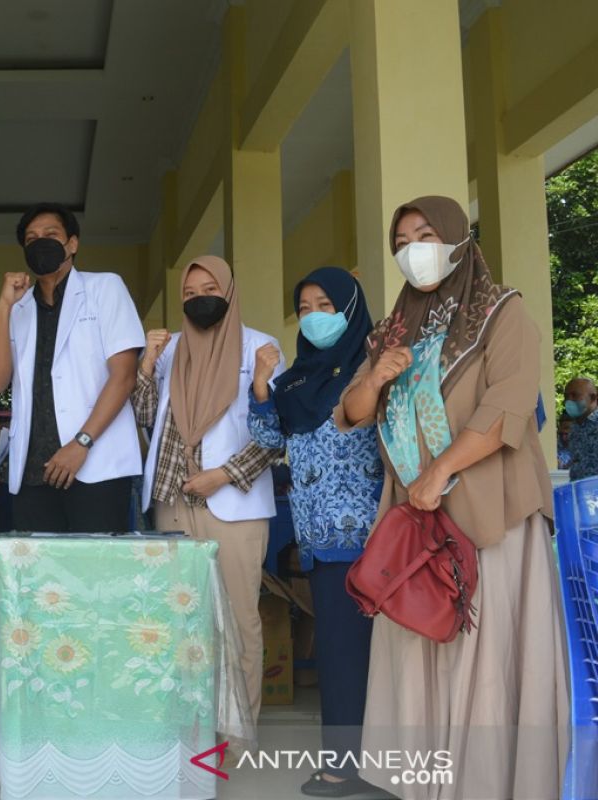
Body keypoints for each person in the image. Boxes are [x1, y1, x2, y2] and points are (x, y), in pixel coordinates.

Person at [337, 196, 566, 799]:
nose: (414, 249)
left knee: (485, 653)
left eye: (426, 233)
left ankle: (487, 785)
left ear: (458, 237)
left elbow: (507, 405)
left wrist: (440, 472)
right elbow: (350, 415)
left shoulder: (501, 309)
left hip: (489, 513)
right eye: (402, 241)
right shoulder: (393, 329)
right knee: (416, 648)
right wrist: (375, 377)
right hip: (416, 529)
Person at [247, 267, 384, 797]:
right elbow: (268, 436)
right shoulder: (297, 379)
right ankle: (351, 765)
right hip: (322, 542)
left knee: (368, 652)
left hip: (379, 536)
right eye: (303, 308)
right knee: (341, 651)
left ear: (350, 308)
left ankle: (349, 768)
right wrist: (261, 382)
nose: (313, 316)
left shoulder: (375, 369)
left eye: (326, 304)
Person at [136, 255, 284, 722]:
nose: (200, 299)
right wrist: (144, 368)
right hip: (173, 501)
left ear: (229, 291)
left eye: (209, 290)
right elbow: (144, 420)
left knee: (238, 621)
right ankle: (190, 724)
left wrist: (222, 476)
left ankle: (237, 731)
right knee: (181, 623)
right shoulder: (171, 350)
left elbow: (275, 433)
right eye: (190, 293)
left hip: (232, 505)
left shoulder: (260, 348)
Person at [0, 202, 144, 532]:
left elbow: (124, 376)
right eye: (31, 239)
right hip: (34, 473)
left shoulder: (105, 288)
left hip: (94, 465)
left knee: (97, 577)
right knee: (42, 581)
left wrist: (81, 443)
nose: (40, 242)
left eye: (51, 234)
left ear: (72, 244)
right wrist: (3, 307)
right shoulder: (19, 308)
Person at [564, 376, 597, 480]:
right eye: (566, 396)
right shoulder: (574, 428)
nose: (569, 400)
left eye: (574, 395)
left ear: (593, 398)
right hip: (579, 491)